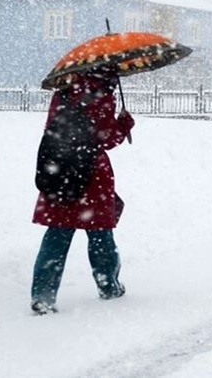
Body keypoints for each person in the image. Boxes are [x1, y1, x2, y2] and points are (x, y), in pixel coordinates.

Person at [30, 74, 134, 315]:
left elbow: (53, 128)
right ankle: (109, 285)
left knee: (57, 234)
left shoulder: (63, 91)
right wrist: (124, 125)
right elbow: (106, 139)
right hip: (91, 174)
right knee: (100, 234)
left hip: (61, 169)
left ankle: (43, 295)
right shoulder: (101, 93)